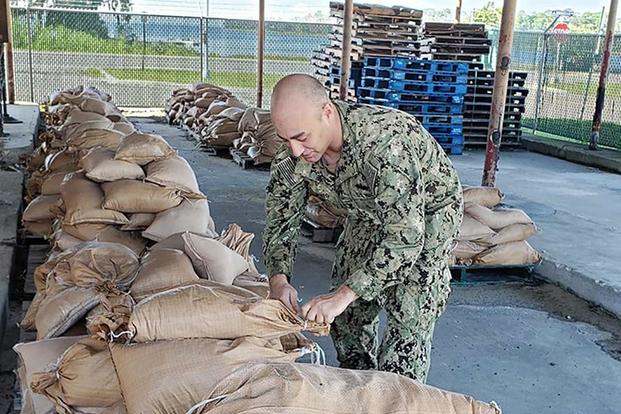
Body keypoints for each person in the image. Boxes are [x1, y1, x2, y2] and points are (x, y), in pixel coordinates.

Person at [262, 74, 463, 382]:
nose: (295, 150)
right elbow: (280, 221)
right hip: (368, 213)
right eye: (285, 139)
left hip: (426, 216)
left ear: (327, 112)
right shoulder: (294, 154)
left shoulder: (383, 145)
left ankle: (398, 391)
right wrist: (279, 279)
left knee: (407, 318)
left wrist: (345, 294)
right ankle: (360, 388)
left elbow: (406, 235)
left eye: (301, 137)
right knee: (345, 318)